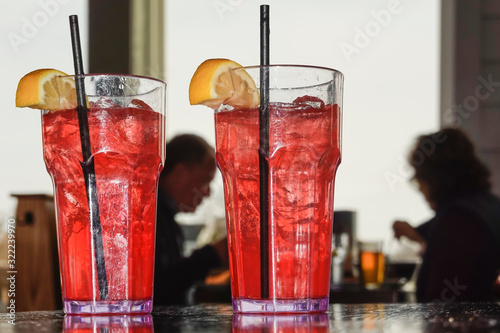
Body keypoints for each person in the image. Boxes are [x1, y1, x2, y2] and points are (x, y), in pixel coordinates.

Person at [392, 128, 500, 302]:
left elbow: (439, 303)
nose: (419, 188)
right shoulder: (488, 204)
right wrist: (415, 234)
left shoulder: (458, 219)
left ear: (433, 176)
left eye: (419, 176)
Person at [154, 134, 228, 305]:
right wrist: (214, 254)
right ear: (179, 174)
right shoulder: (153, 218)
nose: (208, 193)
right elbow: (159, 286)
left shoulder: (165, 216)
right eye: (205, 181)